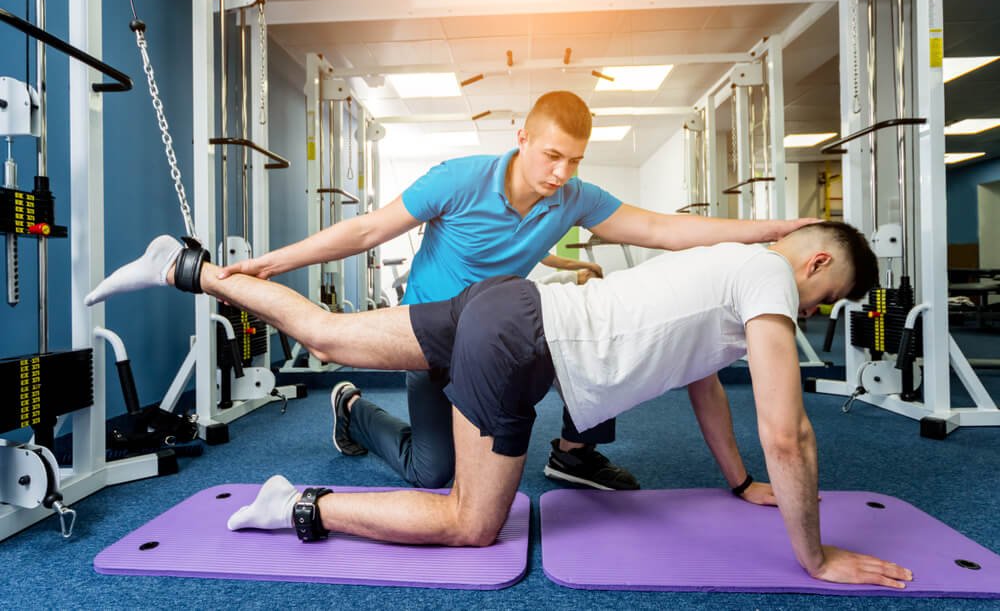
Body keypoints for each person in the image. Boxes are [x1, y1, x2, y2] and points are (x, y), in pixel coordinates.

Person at [85, 221, 912, 589]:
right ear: (810, 266)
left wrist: (736, 484)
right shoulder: (766, 276)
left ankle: (186, 268)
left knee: (330, 335)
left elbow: (704, 382)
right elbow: (788, 430)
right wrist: (815, 554)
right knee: (471, 521)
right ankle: (299, 504)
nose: (810, 317)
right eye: (823, 298)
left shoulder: (730, 272)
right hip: (524, 347)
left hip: (509, 306)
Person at [211, 90, 816, 492]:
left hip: (503, 332)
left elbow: (660, 228)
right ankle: (353, 410)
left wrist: (770, 231)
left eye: (574, 161)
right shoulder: (458, 179)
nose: (561, 174)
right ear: (521, 136)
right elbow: (366, 230)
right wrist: (269, 264)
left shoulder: (574, 198)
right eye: (552, 155)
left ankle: (574, 451)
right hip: (428, 337)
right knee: (433, 474)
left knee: (607, 338)